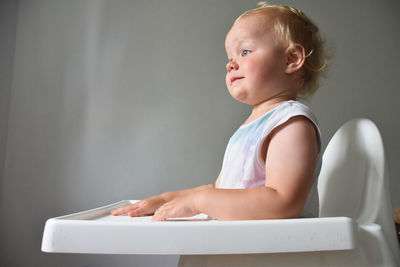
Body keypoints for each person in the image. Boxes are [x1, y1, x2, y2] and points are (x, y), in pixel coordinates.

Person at [111, 2, 329, 221]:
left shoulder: (291, 123)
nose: (231, 64)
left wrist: (199, 202)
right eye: (230, 58)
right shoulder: (251, 128)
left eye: (245, 52)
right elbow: (218, 189)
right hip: (244, 250)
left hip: (273, 253)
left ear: (291, 59)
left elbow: (283, 202)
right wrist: (166, 199)